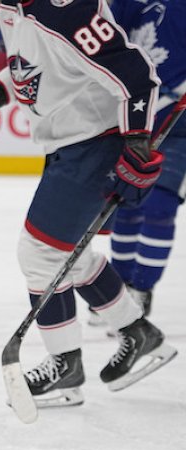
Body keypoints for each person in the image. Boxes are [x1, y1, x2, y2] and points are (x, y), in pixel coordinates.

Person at [0, 0, 177, 408]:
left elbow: (138, 76)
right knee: (64, 255)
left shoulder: (65, 9)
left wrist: (137, 141)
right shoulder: (12, 9)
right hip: (68, 145)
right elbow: (33, 69)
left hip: (96, 143)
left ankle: (65, 364)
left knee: (39, 254)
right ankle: (139, 334)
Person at [99, 0, 186, 325]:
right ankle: (117, 292)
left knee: (160, 206)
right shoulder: (124, 3)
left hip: (179, 123)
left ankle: (142, 288)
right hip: (132, 117)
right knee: (127, 204)